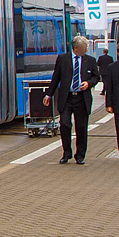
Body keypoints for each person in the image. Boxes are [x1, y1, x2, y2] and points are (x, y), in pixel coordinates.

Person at [43, 34, 100, 164]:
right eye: (84, 48)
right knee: (65, 124)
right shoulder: (63, 59)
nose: (86, 50)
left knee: (81, 127)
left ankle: (80, 155)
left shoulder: (90, 61)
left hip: (82, 98)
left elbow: (96, 77)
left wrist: (89, 83)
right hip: (67, 98)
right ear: (76, 48)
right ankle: (66, 153)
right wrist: (48, 94)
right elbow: (56, 77)